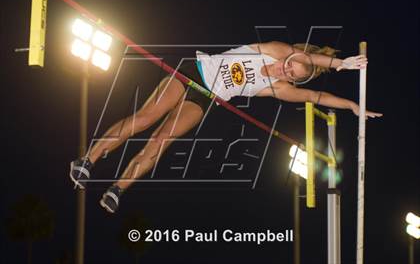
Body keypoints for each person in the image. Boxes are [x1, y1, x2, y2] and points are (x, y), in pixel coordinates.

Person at [69, 41, 382, 213]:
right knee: (147, 118)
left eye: (291, 73)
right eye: (289, 63)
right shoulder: (273, 49)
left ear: (292, 79)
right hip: (192, 73)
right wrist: (340, 64)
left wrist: (354, 106)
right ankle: (87, 161)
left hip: (205, 99)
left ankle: (116, 190)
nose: (283, 68)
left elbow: (316, 95)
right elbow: (305, 58)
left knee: (161, 140)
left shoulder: (279, 88)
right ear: (290, 55)